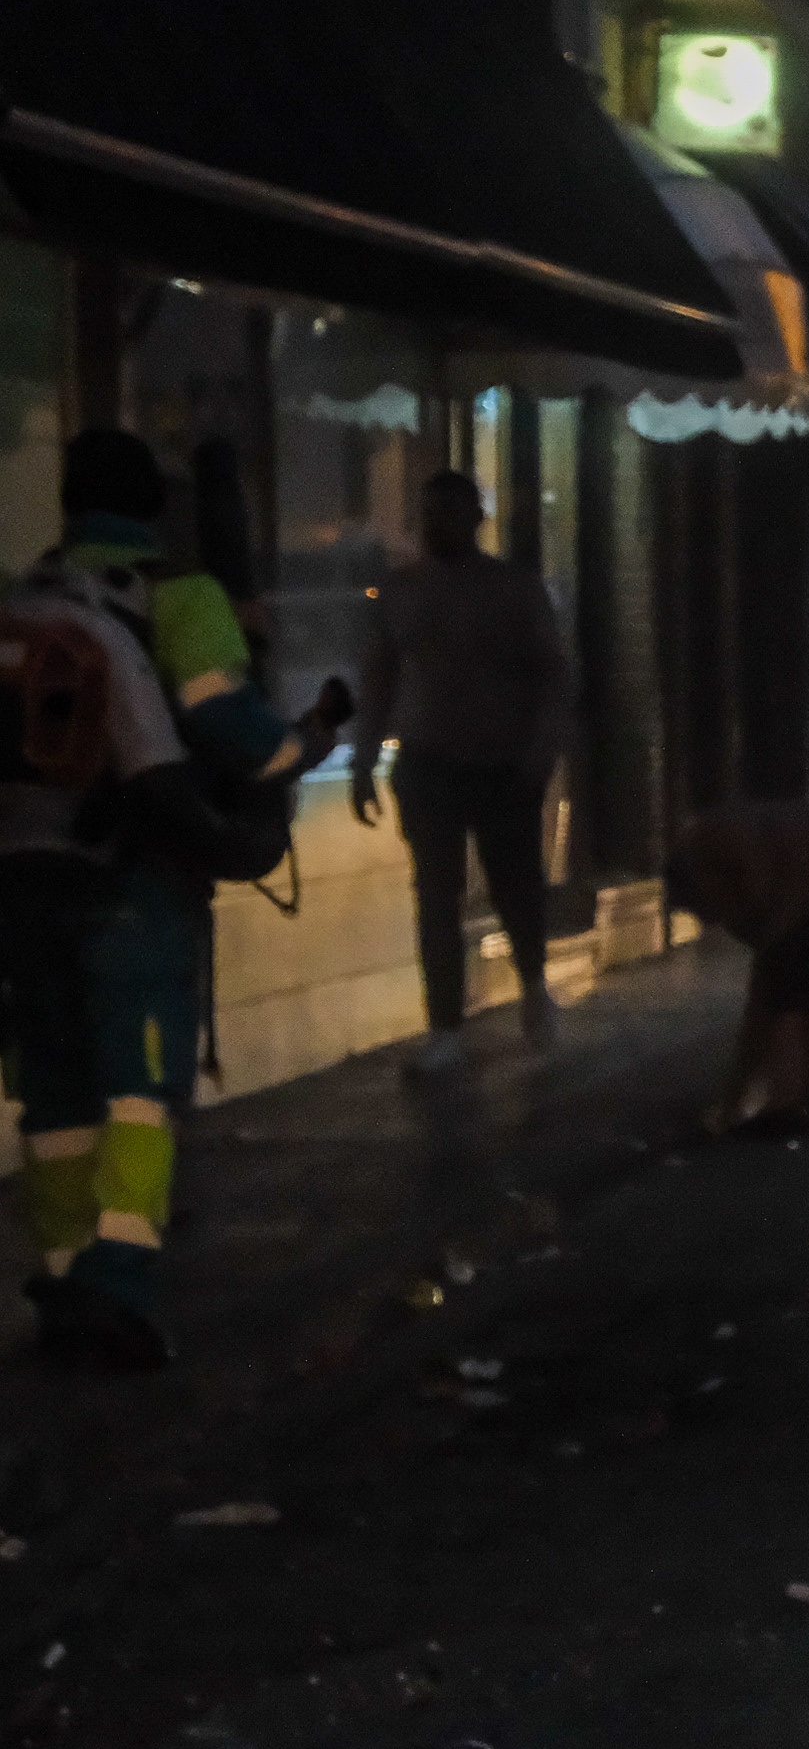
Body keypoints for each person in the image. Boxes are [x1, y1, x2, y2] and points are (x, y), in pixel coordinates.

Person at [5, 430, 338, 1370]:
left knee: (54, 1094)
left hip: (23, 887)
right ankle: (121, 1280)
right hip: (133, 881)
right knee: (139, 1092)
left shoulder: (22, 600)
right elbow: (235, 734)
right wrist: (306, 741)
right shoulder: (181, 599)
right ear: (154, 509)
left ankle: (63, 1274)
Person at [354, 469, 575, 1073]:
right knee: (437, 893)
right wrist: (365, 754)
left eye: (447, 512)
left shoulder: (514, 591)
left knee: (514, 887)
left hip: (502, 761)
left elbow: (551, 674)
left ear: (475, 518)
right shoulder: (399, 593)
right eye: (429, 513)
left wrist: (539, 751)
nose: (436, 525)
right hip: (430, 759)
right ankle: (446, 1026)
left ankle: (532, 985)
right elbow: (380, 678)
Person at [667, 798, 809, 1137]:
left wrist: (732, 1100)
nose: (708, 921)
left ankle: (786, 1105)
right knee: (803, 989)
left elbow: (767, 990)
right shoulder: (732, 867)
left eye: (703, 909)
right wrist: (732, 1097)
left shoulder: (721, 843)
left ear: (706, 882)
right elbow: (758, 1001)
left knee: (790, 994)